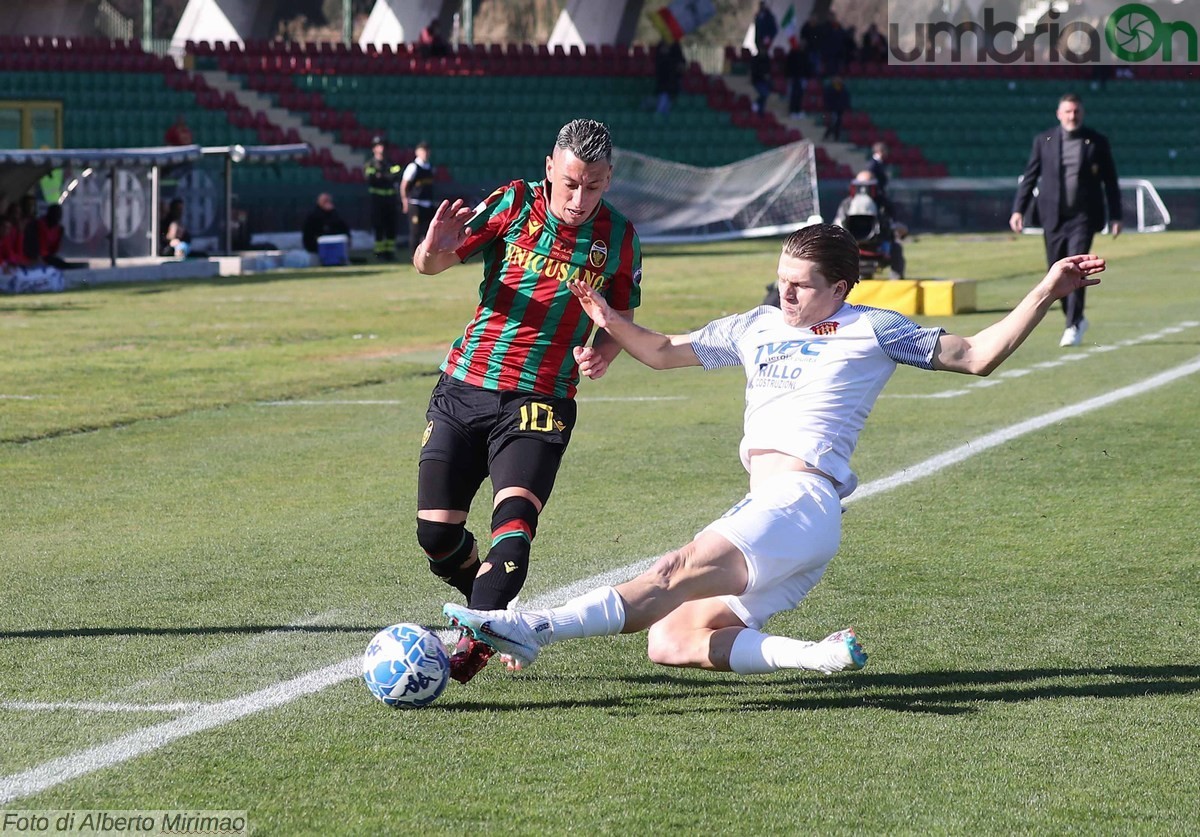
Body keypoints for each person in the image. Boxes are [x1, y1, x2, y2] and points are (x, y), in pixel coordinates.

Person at [442, 224, 1107, 678]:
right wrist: (607, 318)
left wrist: (1046, 290)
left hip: (802, 502)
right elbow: (664, 351)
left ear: (841, 288)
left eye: (801, 284)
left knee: (675, 567)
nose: (784, 293)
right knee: (671, 639)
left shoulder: (871, 329)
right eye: (781, 278)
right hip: (778, 515)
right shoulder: (755, 327)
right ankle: (816, 656)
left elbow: (977, 355)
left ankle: (533, 627)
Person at [411, 118, 643, 683]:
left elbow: (620, 316)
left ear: (608, 177)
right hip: (464, 386)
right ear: (549, 169)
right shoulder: (514, 203)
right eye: (569, 183)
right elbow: (435, 261)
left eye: (591, 186)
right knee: (436, 534)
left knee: (513, 521)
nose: (578, 198)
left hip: (541, 399)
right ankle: (490, 608)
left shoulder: (619, 236)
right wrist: (431, 252)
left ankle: (470, 650)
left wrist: (605, 350)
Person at [1010, 93, 1122, 347]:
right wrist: (1019, 210)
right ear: (1059, 114)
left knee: (1076, 267)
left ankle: (1072, 324)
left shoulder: (1096, 142)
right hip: (1053, 217)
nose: (1072, 116)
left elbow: (1110, 181)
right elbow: (1030, 176)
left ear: (1082, 113)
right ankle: (1076, 318)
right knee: (1056, 269)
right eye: (1068, 112)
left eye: (1076, 112)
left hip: (1083, 217)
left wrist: (1116, 215)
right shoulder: (1043, 141)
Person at [364, 137, 402, 261]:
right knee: (378, 225)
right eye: (379, 145)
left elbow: (395, 175)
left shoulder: (391, 162)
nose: (382, 148)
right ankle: (379, 252)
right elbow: (370, 178)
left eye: (383, 145)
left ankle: (389, 251)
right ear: (374, 148)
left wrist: (381, 175)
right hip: (377, 200)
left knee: (391, 226)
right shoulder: (370, 163)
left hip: (390, 199)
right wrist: (385, 176)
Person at [400, 142, 435, 259]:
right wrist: (405, 201)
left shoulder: (429, 167)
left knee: (427, 232)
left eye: (427, 151)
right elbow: (404, 185)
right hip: (415, 204)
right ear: (417, 152)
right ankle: (413, 257)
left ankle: (425, 257)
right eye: (422, 151)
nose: (425, 153)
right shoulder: (413, 167)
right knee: (415, 232)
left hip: (427, 203)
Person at [652, 38, 686, 116]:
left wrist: (679, 66)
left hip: (673, 81)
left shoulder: (675, 46)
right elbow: (659, 64)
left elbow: (681, 62)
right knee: (663, 101)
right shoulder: (660, 47)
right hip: (663, 82)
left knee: (669, 102)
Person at [785, 37, 810, 119]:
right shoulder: (793, 53)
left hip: (802, 77)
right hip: (794, 77)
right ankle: (792, 111)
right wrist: (789, 76)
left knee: (800, 95)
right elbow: (789, 66)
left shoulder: (806, 54)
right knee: (794, 95)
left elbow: (807, 67)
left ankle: (798, 110)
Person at [822, 75, 850, 141]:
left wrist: (846, 107)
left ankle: (835, 137)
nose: (838, 80)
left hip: (840, 109)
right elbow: (827, 99)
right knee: (832, 123)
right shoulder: (829, 88)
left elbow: (845, 99)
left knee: (838, 123)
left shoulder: (843, 88)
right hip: (832, 109)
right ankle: (827, 136)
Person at [749, 39, 773, 114]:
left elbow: (769, 69)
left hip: (765, 81)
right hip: (757, 80)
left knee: (765, 94)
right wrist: (763, 75)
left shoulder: (767, 59)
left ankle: (760, 110)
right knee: (764, 94)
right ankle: (758, 108)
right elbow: (754, 71)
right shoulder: (755, 59)